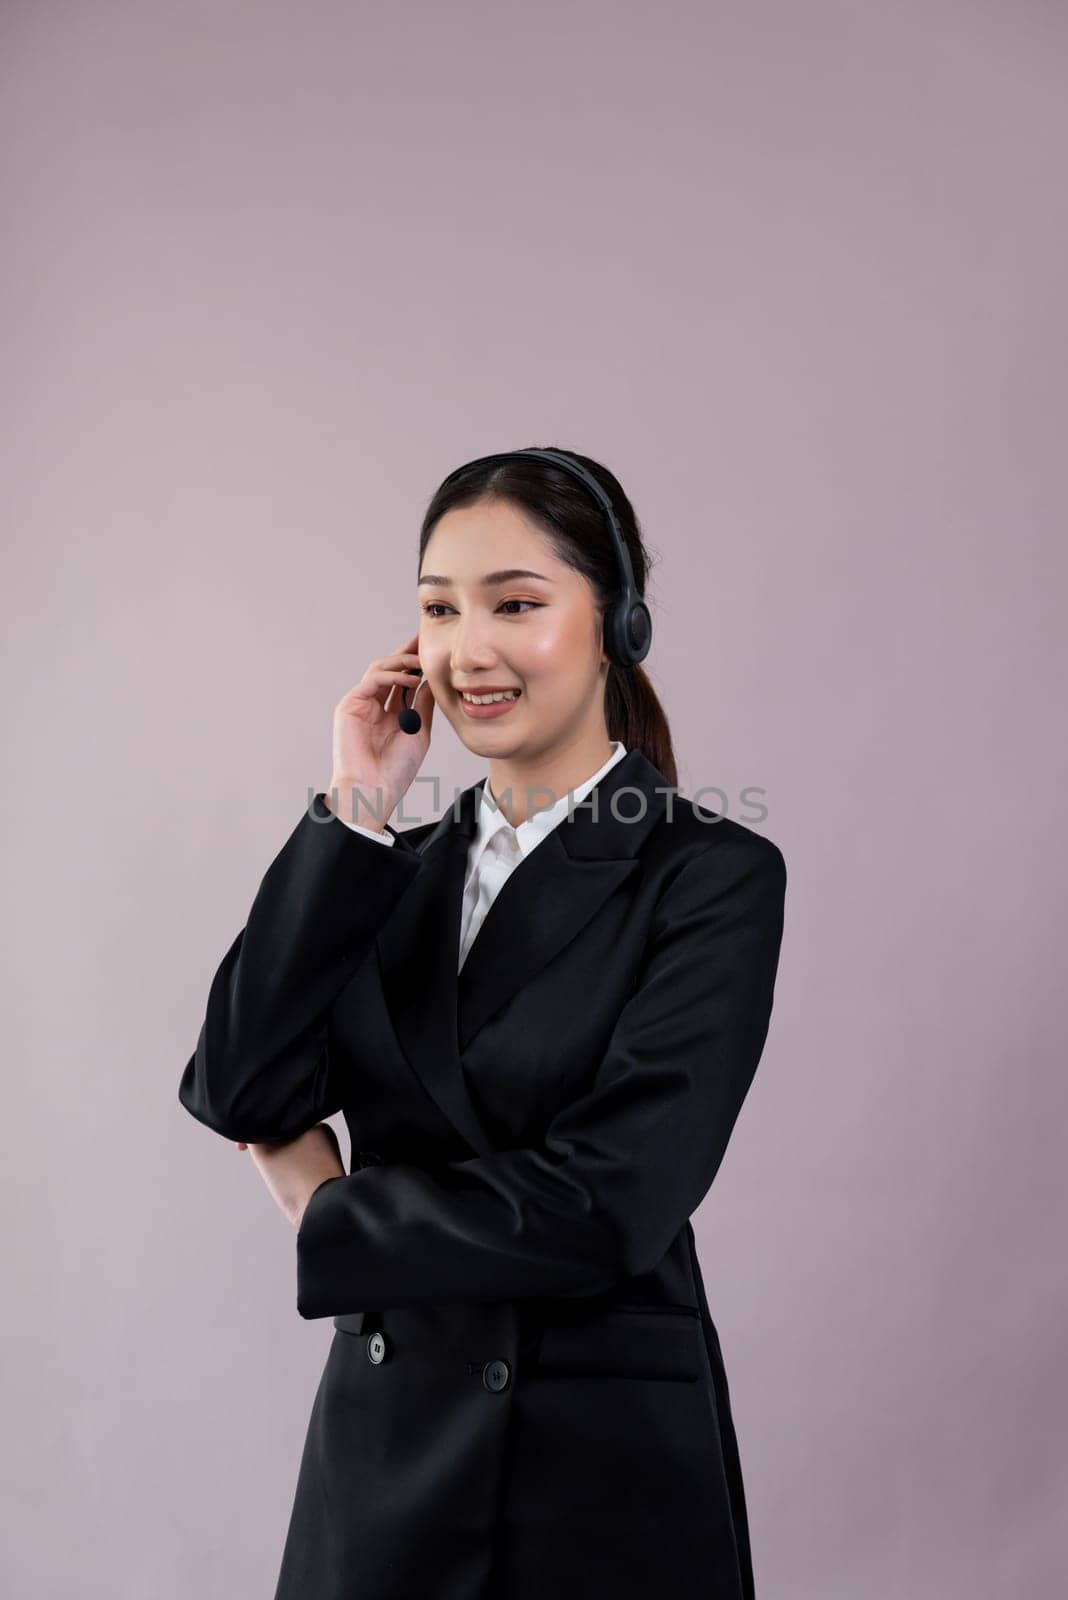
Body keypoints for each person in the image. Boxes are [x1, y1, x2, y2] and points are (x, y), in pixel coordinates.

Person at [178, 446, 788, 1600]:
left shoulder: (709, 874)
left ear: (618, 624)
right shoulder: (382, 868)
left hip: (597, 1481)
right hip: (383, 1463)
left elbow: (612, 1202)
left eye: (517, 603)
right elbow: (239, 1086)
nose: (471, 649)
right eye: (438, 609)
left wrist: (332, 1209)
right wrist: (356, 808)